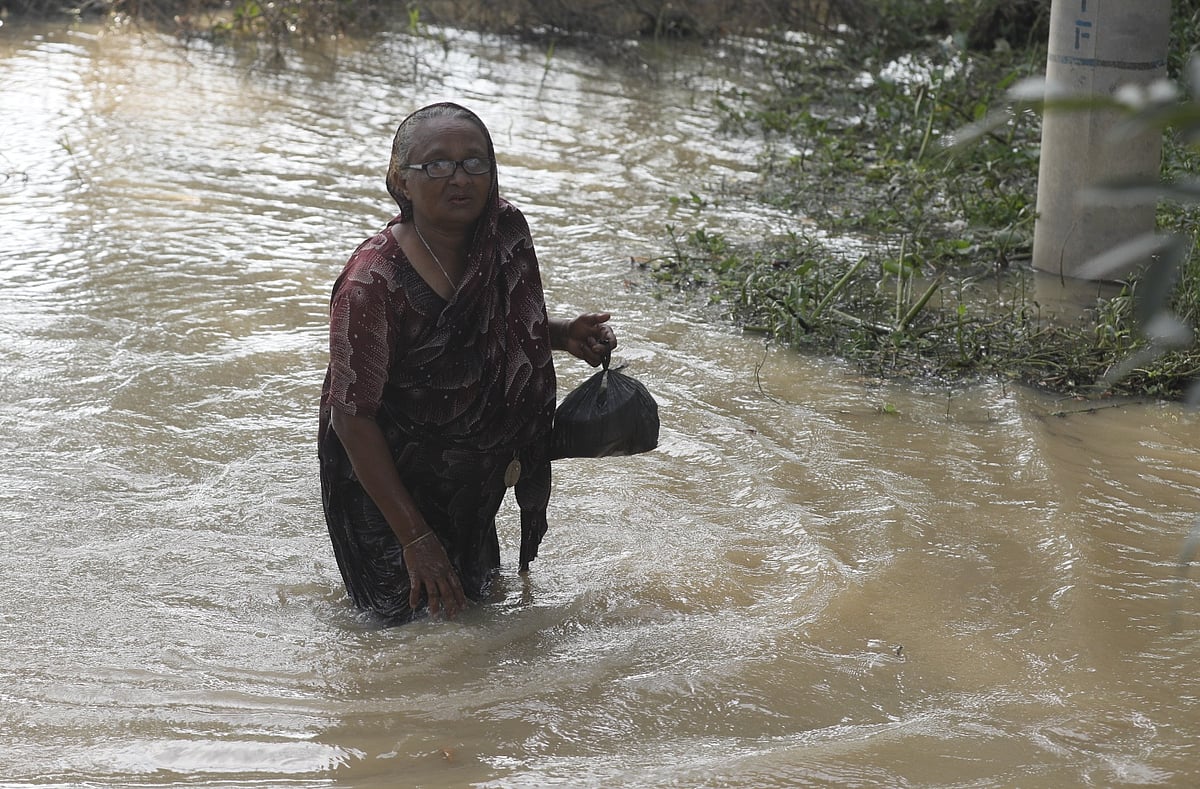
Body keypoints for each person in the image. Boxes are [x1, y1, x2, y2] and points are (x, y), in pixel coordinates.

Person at [318, 102, 617, 624]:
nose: (459, 178)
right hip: (382, 479)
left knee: (474, 615)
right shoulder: (372, 282)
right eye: (436, 164)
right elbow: (351, 416)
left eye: (474, 163)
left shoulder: (502, 233)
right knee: (395, 634)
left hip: (471, 474)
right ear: (401, 181)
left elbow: (496, 328)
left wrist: (563, 335)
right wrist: (414, 536)